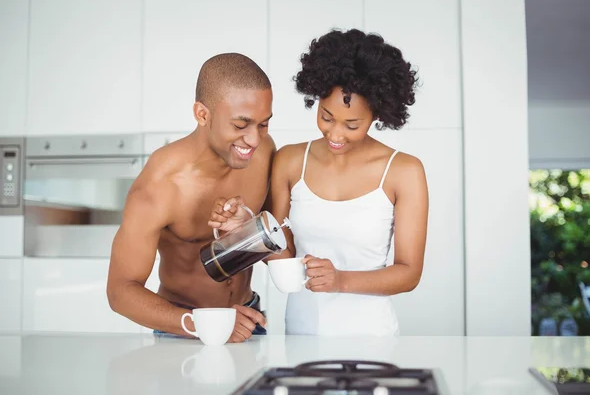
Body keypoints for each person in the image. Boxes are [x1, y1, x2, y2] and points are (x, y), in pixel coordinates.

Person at [210, 29, 428, 336]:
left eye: (352, 125)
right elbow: (283, 256)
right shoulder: (290, 161)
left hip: (371, 336)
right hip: (301, 333)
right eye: (327, 117)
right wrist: (249, 228)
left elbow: (408, 274)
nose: (336, 134)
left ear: (377, 113)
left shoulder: (404, 171)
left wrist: (341, 280)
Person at [106, 53, 275, 342]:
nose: (254, 139)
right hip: (183, 328)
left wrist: (249, 226)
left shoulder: (262, 154)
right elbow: (120, 290)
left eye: (263, 124)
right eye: (240, 125)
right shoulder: (161, 185)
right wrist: (205, 325)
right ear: (202, 114)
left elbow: (277, 244)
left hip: (248, 319)